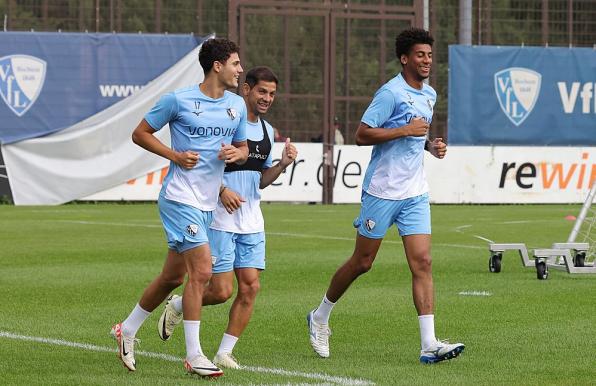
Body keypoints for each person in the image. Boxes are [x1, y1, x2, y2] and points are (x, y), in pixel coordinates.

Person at [306, 28, 464, 364]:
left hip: (415, 193)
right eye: (420, 55)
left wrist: (429, 146)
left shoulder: (430, 94)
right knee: (362, 262)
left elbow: (415, 135)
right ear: (405, 58)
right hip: (382, 191)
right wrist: (405, 130)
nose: (427, 61)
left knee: (422, 262)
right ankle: (320, 316)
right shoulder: (390, 93)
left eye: (430, 55)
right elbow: (361, 135)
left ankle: (428, 344)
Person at [110, 38, 248, 377]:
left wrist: (237, 154)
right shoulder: (179, 100)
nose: (240, 70)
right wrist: (175, 156)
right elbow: (140, 133)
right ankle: (194, 355)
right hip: (178, 197)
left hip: (206, 203)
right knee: (201, 273)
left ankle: (126, 329)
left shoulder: (237, 106)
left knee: (172, 277)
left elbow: (244, 147)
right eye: (235, 63)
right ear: (217, 66)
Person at [157, 66, 297, 369]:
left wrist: (283, 165)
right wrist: (222, 190)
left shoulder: (267, 132)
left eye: (272, 94)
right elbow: (206, 164)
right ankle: (179, 304)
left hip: (251, 220)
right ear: (246, 90)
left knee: (251, 287)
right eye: (261, 91)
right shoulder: (224, 121)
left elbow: (259, 180)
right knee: (221, 291)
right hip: (220, 217)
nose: (267, 98)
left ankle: (224, 352)